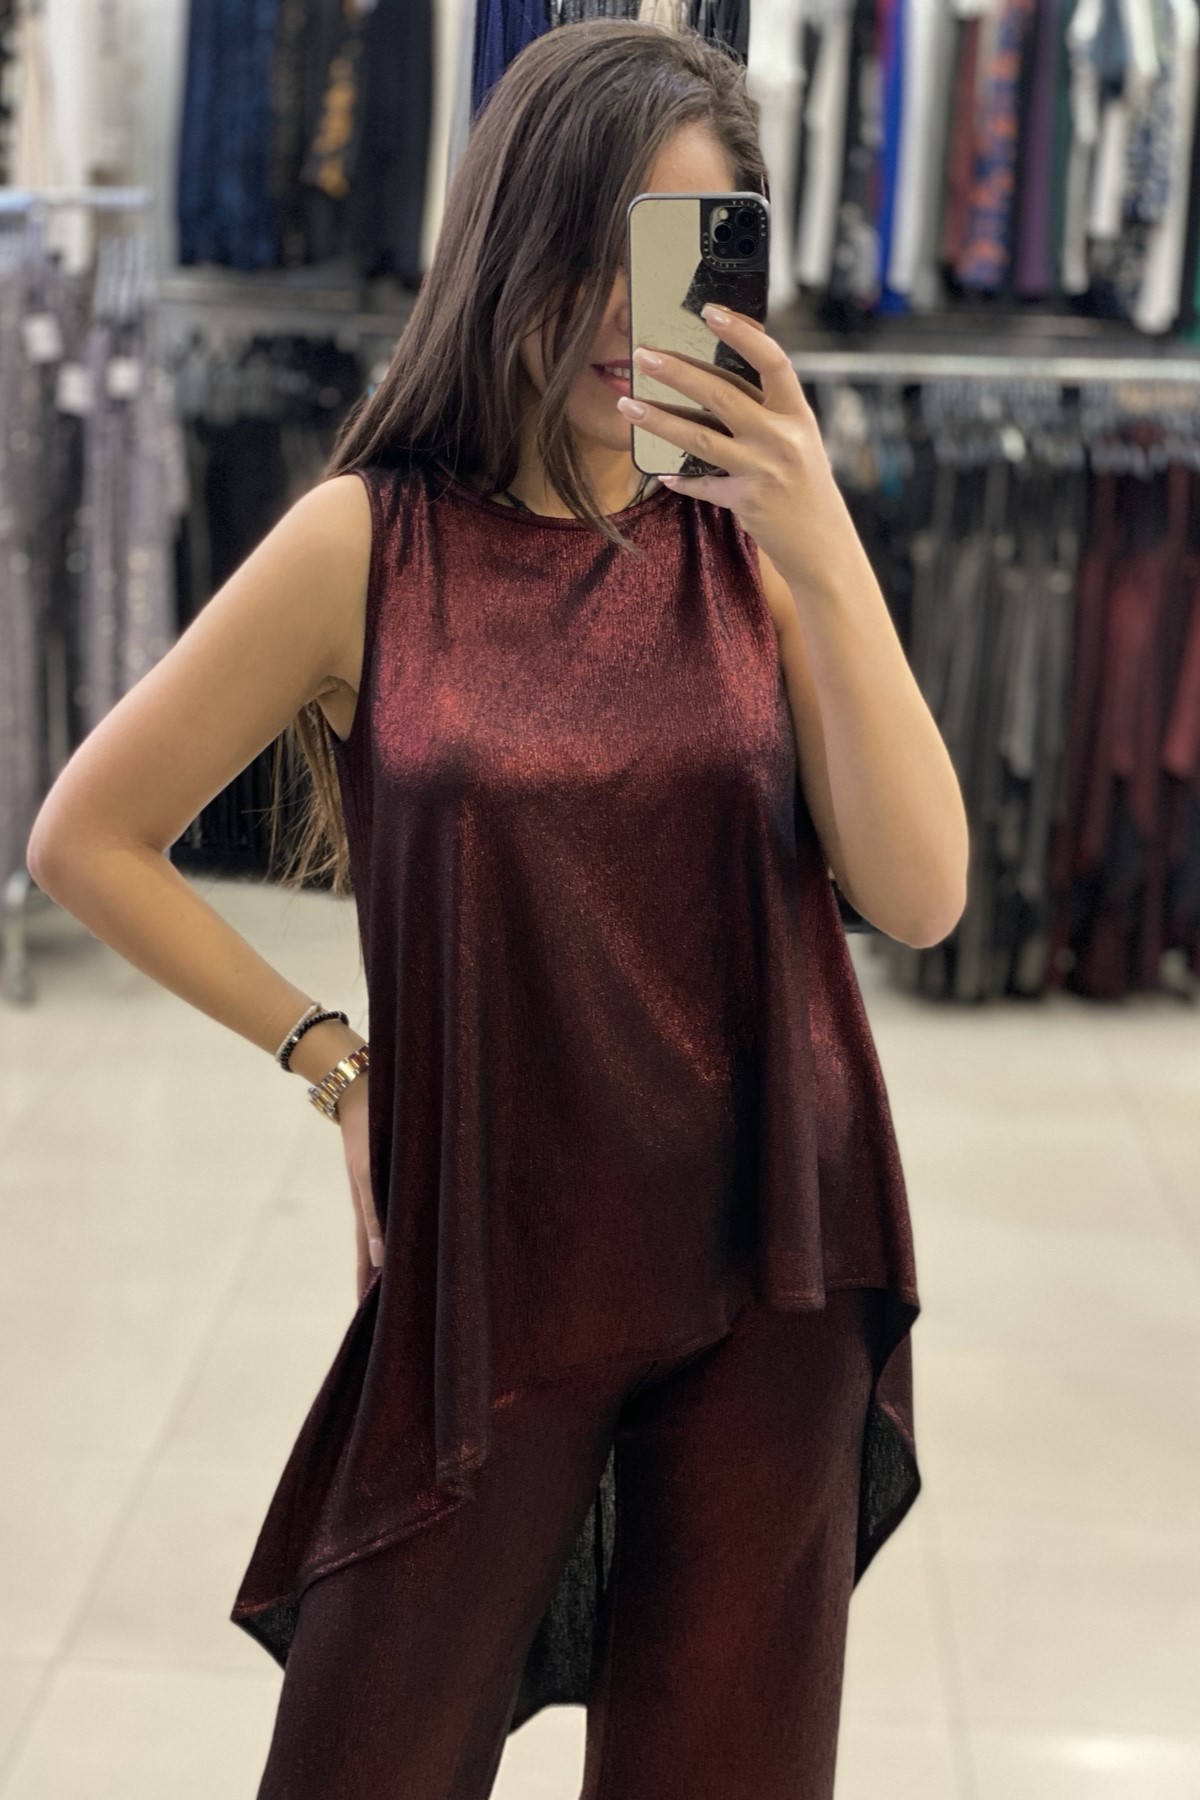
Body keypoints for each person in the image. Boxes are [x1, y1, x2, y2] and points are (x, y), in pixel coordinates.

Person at [26, 18, 968, 1799]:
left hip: (777, 1247)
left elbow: (920, 895)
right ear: (509, 239)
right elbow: (89, 835)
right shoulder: (366, 544)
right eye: (592, 247)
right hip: (493, 1252)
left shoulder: (759, 549)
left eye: (675, 255)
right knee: (367, 1750)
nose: (627, 311)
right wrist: (336, 1063)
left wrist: (823, 536)